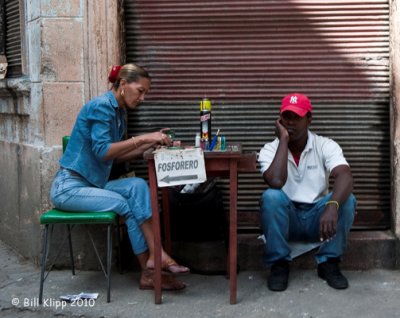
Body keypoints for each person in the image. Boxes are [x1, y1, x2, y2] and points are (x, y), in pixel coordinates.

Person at [50, 63, 189, 291]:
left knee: (137, 186)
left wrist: (152, 143)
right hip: (69, 188)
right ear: (123, 84)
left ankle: (154, 263)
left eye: (145, 93)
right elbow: (103, 151)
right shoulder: (101, 107)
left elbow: (115, 156)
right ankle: (153, 264)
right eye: (140, 90)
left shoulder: (119, 112)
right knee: (125, 204)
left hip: (96, 184)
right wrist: (144, 138)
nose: (142, 98)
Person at [258, 93, 356, 292]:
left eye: (297, 117)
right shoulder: (270, 149)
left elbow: (345, 175)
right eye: (286, 117)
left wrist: (332, 206)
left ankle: (329, 262)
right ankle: (279, 265)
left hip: (319, 220)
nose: (291, 122)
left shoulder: (325, 145)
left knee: (347, 199)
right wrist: (283, 140)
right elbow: (276, 182)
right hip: (289, 220)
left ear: (309, 119)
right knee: (271, 196)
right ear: (280, 120)